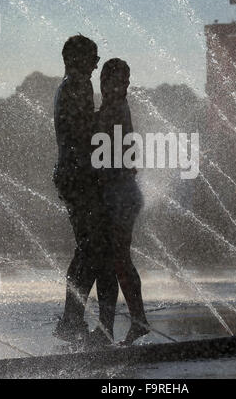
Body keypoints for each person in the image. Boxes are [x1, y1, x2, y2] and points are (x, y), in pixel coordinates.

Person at [53, 35, 119, 344]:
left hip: (71, 176)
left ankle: (72, 320)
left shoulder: (68, 85)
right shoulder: (78, 85)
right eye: (92, 57)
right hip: (80, 178)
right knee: (93, 249)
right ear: (77, 59)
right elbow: (84, 133)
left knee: (88, 249)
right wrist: (106, 115)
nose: (96, 63)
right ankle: (72, 321)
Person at [96, 58, 150, 345]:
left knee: (117, 260)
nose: (124, 85)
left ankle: (135, 321)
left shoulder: (115, 109)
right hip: (122, 194)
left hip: (122, 196)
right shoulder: (112, 107)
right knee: (113, 261)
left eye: (125, 80)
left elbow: (111, 153)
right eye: (119, 80)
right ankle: (112, 326)